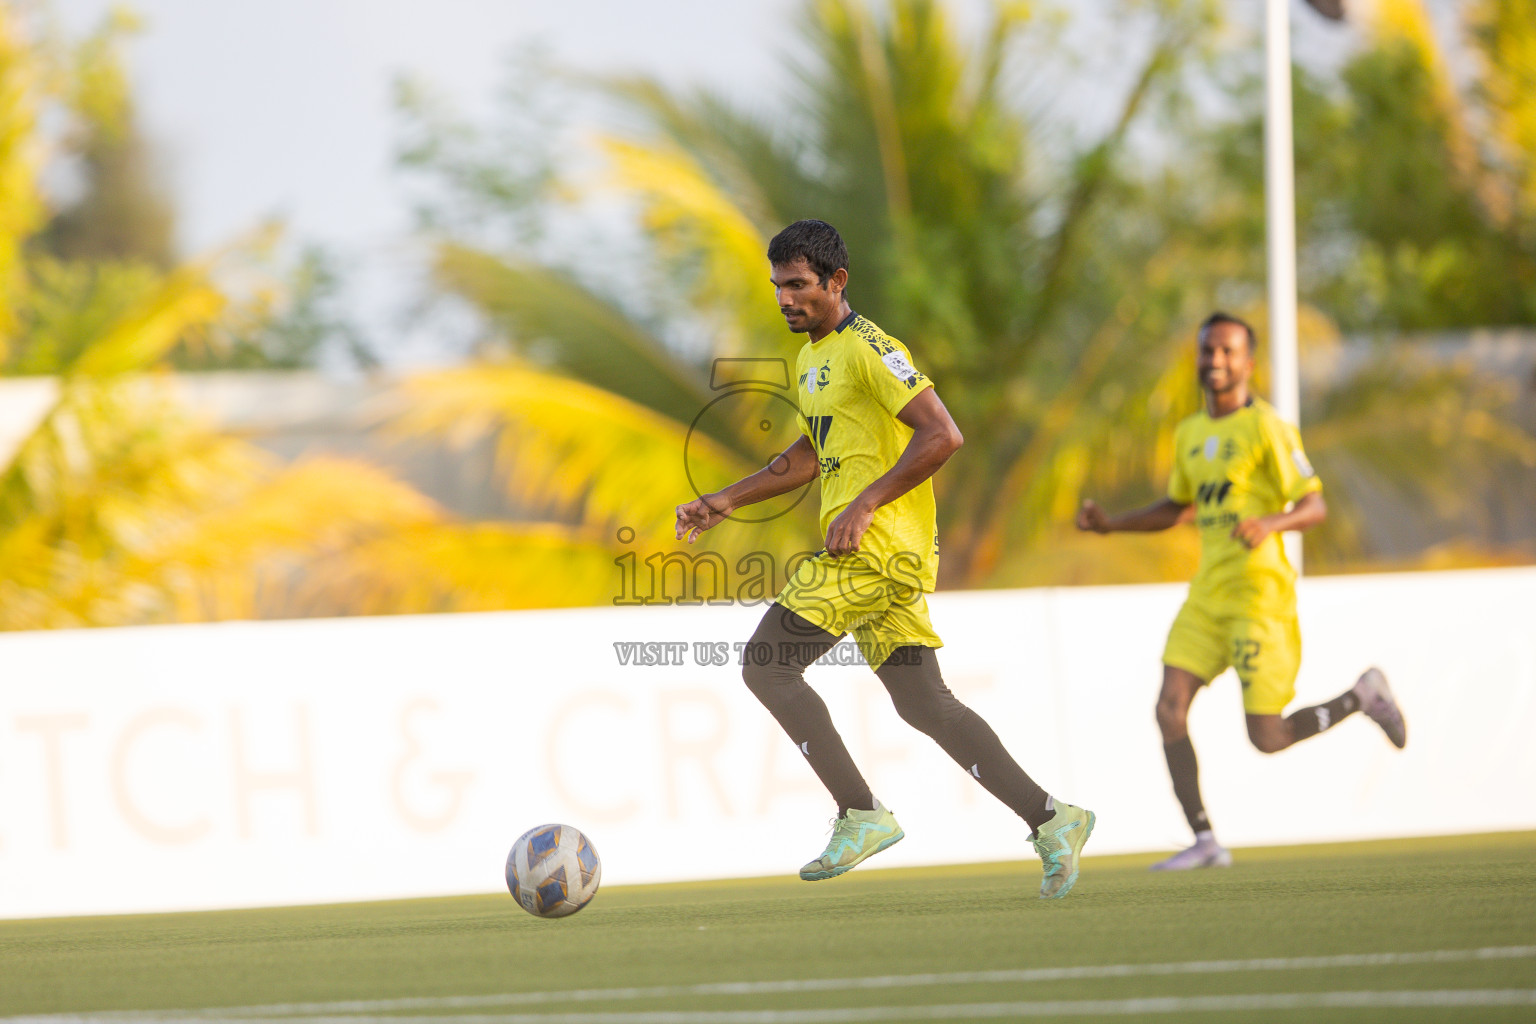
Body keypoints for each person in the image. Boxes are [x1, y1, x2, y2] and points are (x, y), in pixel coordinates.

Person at [675, 219, 1095, 899]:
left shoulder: (871, 347)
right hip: (876, 554)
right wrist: (725, 497)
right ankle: (1054, 819)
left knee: (767, 665)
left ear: (837, 282)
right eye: (778, 285)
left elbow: (942, 435)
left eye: (799, 285)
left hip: (876, 549)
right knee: (924, 703)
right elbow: (811, 455)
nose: (785, 298)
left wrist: (866, 502)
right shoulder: (813, 359)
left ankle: (861, 814)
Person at [1076, 312, 1406, 870]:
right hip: (1209, 598)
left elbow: (1314, 503)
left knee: (1268, 737)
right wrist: (1112, 524)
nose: (1216, 360)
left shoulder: (1267, 428)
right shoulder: (1189, 433)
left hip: (1260, 598)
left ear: (1249, 362)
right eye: (1208, 350)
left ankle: (1362, 696)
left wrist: (1270, 523)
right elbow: (1178, 508)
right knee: (1169, 708)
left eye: (1228, 351)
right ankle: (1205, 840)